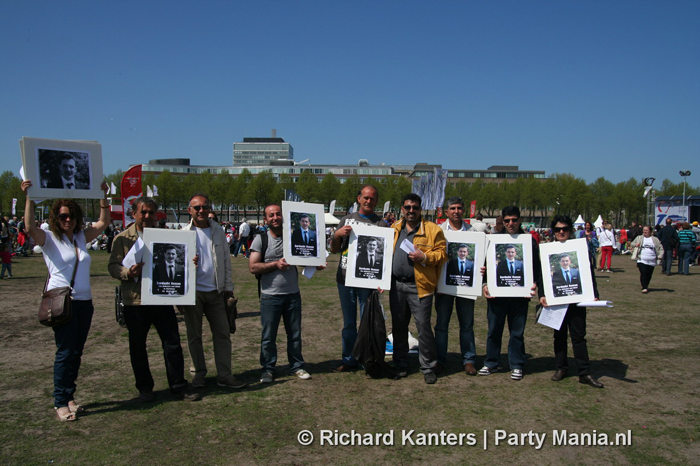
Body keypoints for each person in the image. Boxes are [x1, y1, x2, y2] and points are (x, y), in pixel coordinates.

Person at [21, 179, 109, 421]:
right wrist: (29, 196)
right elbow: (29, 227)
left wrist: (103, 196)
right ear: (55, 218)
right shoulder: (49, 238)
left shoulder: (81, 237)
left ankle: (70, 396)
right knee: (65, 352)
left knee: (76, 352)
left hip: (84, 303)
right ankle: (60, 401)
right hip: (63, 302)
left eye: (71, 215)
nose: (67, 220)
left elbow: (103, 222)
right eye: (62, 216)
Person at [108, 197, 199, 403]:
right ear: (134, 214)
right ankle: (145, 389)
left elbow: (180, 264)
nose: (147, 216)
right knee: (138, 347)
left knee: (173, 344)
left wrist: (190, 260)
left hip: (162, 299)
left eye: (151, 212)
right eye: (143, 212)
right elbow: (112, 266)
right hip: (136, 302)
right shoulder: (122, 239)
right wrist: (127, 272)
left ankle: (178, 386)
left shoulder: (169, 237)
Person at [249, 204, 321, 383]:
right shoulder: (261, 239)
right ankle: (268, 369)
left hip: (292, 295)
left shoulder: (293, 237)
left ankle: (297, 366)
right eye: (271, 215)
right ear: (265, 219)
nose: (275, 217)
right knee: (268, 337)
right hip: (269, 296)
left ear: (284, 217)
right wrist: (275, 264)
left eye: (278, 214)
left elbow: (302, 259)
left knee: (295, 335)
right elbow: (253, 267)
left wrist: (315, 264)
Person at [182, 194, 246, 389]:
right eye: (197, 207)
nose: (201, 211)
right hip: (193, 293)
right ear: (190, 210)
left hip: (216, 292)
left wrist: (228, 289)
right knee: (195, 336)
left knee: (223, 335)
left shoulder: (218, 231)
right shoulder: (183, 233)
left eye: (205, 207)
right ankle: (198, 374)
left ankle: (225, 375)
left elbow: (226, 262)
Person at [538, 215, 604, 388]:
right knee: (559, 336)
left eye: (565, 229)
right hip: (556, 301)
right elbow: (542, 276)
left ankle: (585, 372)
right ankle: (561, 368)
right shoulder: (546, 250)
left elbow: (589, 274)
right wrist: (543, 294)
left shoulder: (580, 249)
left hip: (577, 302)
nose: (561, 232)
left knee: (579, 337)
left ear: (570, 231)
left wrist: (593, 293)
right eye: (558, 229)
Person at [390, 193, 447, 384]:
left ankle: (428, 366)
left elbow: (442, 254)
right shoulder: (394, 228)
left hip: (420, 287)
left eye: (415, 207)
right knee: (398, 327)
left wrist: (424, 258)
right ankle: (400, 364)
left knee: (423, 327)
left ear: (420, 209)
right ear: (402, 209)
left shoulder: (433, 230)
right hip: (396, 285)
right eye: (407, 207)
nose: (411, 211)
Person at [480, 206, 541, 381]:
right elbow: (485, 266)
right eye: (507, 220)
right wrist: (485, 283)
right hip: (497, 295)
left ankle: (517, 364)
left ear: (520, 220)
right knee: (493, 331)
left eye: (514, 220)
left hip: (519, 296)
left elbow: (535, 268)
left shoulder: (529, 241)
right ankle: (491, 362)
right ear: (503, 221)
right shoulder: (493, 240)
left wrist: (534, 283)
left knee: (517, 332)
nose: (511, 223)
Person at [330, 184, 386, 373]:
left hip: (367, 281)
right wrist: (337, 235)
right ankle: (349, 358)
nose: (368, 201)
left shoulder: (382, 225)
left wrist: (382, 280)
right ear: (358, 199)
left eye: (372, 198)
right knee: (348, 323)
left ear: (376, 201)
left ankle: (366, 357)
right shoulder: (346, 220)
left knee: (367, 321)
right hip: (345, 279)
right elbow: (334, 249)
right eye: (365, 197)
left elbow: (385, 257)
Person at [435, 197, 477, 376]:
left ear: (464, 210)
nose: (456, 211)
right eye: (452, 208)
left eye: (459, 208)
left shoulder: (474, 232)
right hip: (444, 285)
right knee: (441, 325)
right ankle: (439, 359)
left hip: (466, 286)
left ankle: (469, 360)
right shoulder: (437, 231)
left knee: (467, 324)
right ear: (446, 212)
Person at [629, 225, 663, 293]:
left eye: (646, 230)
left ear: (650, 231)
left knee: (649, 274)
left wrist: (660, 256)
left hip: (652, 259)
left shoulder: (655, 239)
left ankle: (646, 285)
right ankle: (644, 287)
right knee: (643, 272)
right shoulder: (639, 238)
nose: (645, 231)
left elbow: (660, 248)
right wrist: (635, 244)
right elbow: (632, 243)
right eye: (644, 230)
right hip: (641, 259)